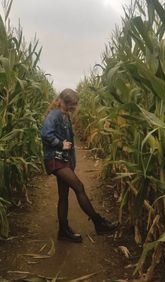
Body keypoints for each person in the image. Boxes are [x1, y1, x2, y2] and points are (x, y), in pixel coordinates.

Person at [40, 88, 119, 243]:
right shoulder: (55, 114)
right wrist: (60, 144)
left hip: (63, 160)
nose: (74, 107)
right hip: (55, 160)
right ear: (65, 102)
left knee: (64, 196)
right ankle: (98, 222)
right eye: (72, 104)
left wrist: (71, 162)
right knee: (79, 187)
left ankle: (63, 231)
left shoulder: (65, 116)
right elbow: (45, 133)